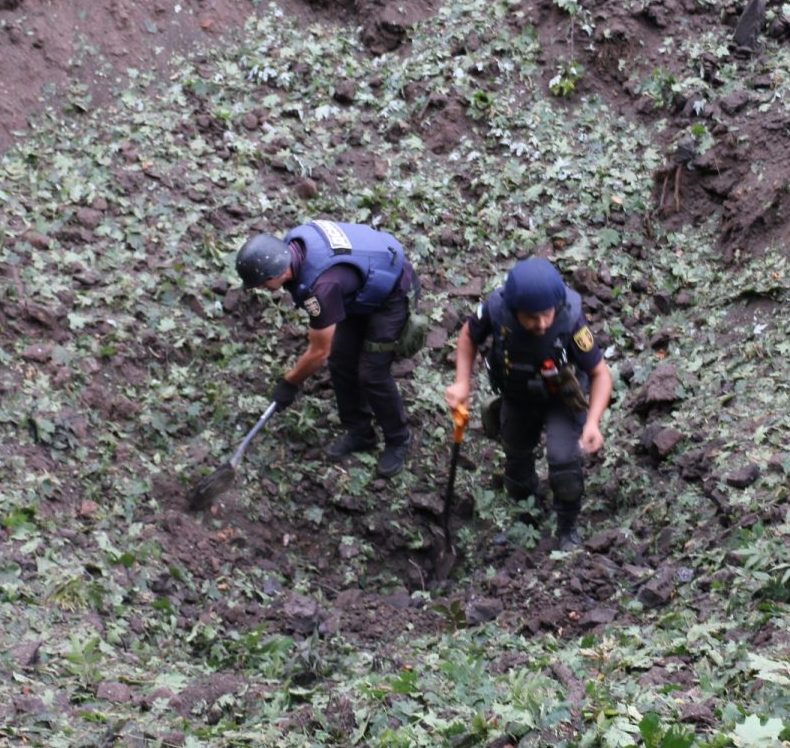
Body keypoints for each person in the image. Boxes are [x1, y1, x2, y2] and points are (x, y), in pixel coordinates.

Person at [444, 257, 612, 551]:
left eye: (547, 314)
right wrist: (462, 381)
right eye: (532, 317)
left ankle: (567, 526)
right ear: (515, 310)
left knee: (563, 461)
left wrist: (593, 422)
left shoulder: (570, 321)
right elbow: (469, 336)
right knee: (516, 463)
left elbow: (600, 374)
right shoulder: (496, 310)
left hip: (561, 398)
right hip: (518, 395)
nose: (542, 323)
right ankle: (527, 519)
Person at [235, 220, 418, 478]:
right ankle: (360, 433)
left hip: (390, 293)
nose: (262, 290)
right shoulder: (292, 247)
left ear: (277, 274)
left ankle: (399, 438)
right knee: (342, 360)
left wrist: (290, 382)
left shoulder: (318, 290)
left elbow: (319, 350)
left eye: (263, 284)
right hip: (358, 289)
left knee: (372, 373)